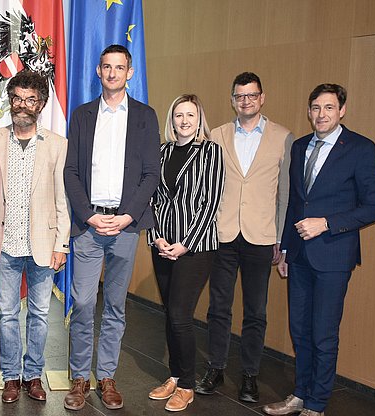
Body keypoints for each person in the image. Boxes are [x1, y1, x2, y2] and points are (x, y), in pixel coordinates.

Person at [263, 84, 375, 416]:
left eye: (329, 108)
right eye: (315, 108)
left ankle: (316, 403)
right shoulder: (301, 146)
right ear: (309, 111)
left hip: (333, 255)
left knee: (323, 333)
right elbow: (293, 203)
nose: (321, 114)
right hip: (299, 255)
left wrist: (326, 222)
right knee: (300, 330)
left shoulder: (361, 148)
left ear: (342, 110)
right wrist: (285, 249)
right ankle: (300, 394)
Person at [63, 44, 161, 411]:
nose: (113, 73)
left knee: (115, 307)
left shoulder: (146, 116)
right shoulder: (83, 115)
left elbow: (151, 174)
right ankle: (79, 378)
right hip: (89, 225)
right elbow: (71, 171)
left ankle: (106, 377)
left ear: (129, 72)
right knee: (85, 303)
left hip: (125, 225)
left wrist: (127, 216)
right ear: (98, 71)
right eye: (107, 67)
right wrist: (87, 214)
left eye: (120, 67)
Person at [197, 72, 294, 402]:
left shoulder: (283, 137)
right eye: (240, 96)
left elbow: (285, 195)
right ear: (232, 100)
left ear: (262, 98)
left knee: (256, 311)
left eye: (252, 95)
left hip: (262, 236)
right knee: (218, 307)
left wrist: (282, 238)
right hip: (223, 234)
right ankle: (216, 367)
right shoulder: (218, 135)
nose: (246, 101)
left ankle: (250, 375)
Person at [0, 70, 71, 404]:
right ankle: (10, 376)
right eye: (17, 98)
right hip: (3, 245)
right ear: (10, 100)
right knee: (6, 316)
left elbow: (62, 199)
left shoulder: (57, 145)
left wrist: (62, 244)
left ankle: (33, 375)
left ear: (42, 103)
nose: (23, 105)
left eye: (31, 99)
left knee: (38, 315)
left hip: (43, 246)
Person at [145, 94, 224, 412]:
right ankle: (175, 376)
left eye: (190, 114)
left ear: (199, 118)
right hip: (163, 244)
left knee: (180, 314)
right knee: (170, 314)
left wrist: (186, 242)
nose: (184, 120)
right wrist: (156, 237)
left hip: (196, 247)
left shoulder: (210, 152)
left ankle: (188, 385)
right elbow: (151, 197)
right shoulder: (161, 152)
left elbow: (211, 202)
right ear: (172, 119)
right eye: (179, 114)